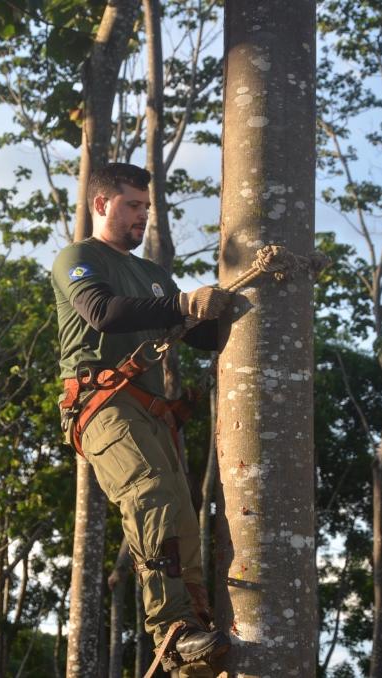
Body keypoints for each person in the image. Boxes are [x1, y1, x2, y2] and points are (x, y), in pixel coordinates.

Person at [52, 163, 232, 674]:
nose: (142, 218)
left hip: (154, 412)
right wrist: (179, 302)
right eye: (133, 206)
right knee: (148, 493)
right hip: (101, 404)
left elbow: (201, 335)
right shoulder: (79, 258)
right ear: (101, 204)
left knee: (183, 518)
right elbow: (103, 312)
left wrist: (248, 301)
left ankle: (197, 634)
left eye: (147, 209)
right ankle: (171, 631)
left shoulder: (152, 274)